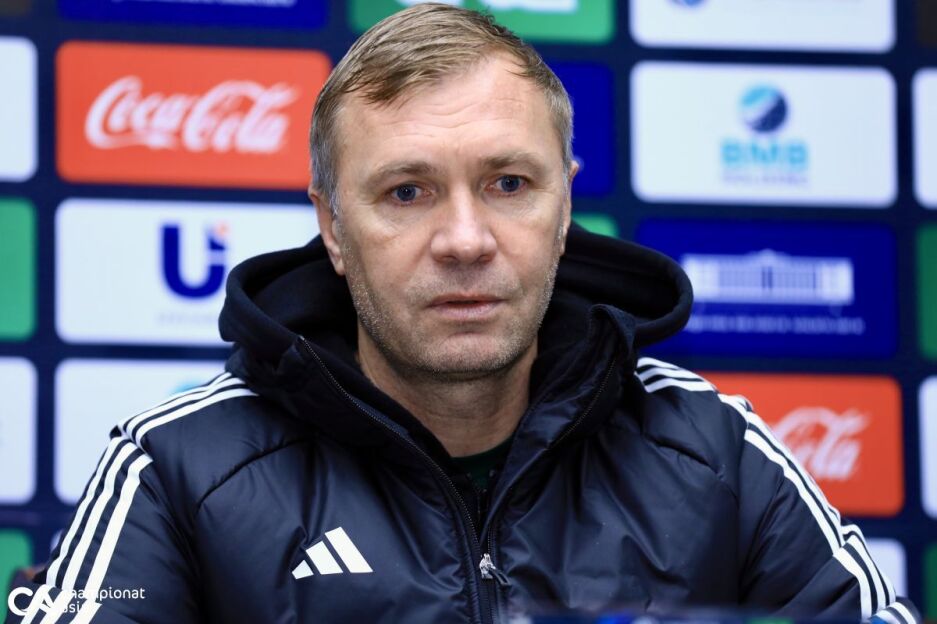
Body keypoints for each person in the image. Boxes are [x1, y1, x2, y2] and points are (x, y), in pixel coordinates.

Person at [5, 4, 921, 623]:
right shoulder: (180, 468)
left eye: (508, 183)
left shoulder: (712, 451)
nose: (464, 240)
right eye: (406, 192)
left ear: (564, 205)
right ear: (332, 227)